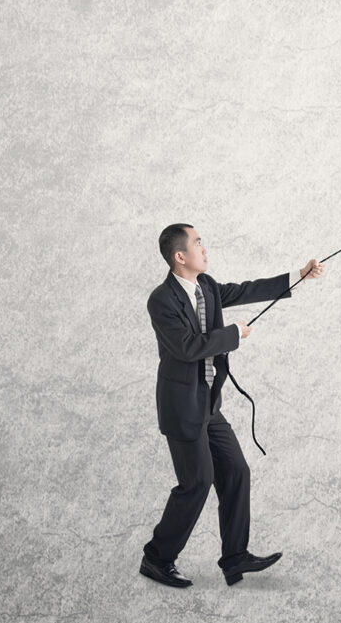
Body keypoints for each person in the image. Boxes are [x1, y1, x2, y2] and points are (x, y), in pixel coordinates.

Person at [139, 223, 325, 588]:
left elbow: (244, 291)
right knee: (197, 483)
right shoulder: (161, 300)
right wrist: (233, 334)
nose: (204, 249)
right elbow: (187, 347)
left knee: (237, 471)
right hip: (182, 409)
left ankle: (234, 556)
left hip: (208, 405)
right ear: (180, 256)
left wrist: (298, 276)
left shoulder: (206, 287)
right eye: (198, 243)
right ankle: (157, 558)